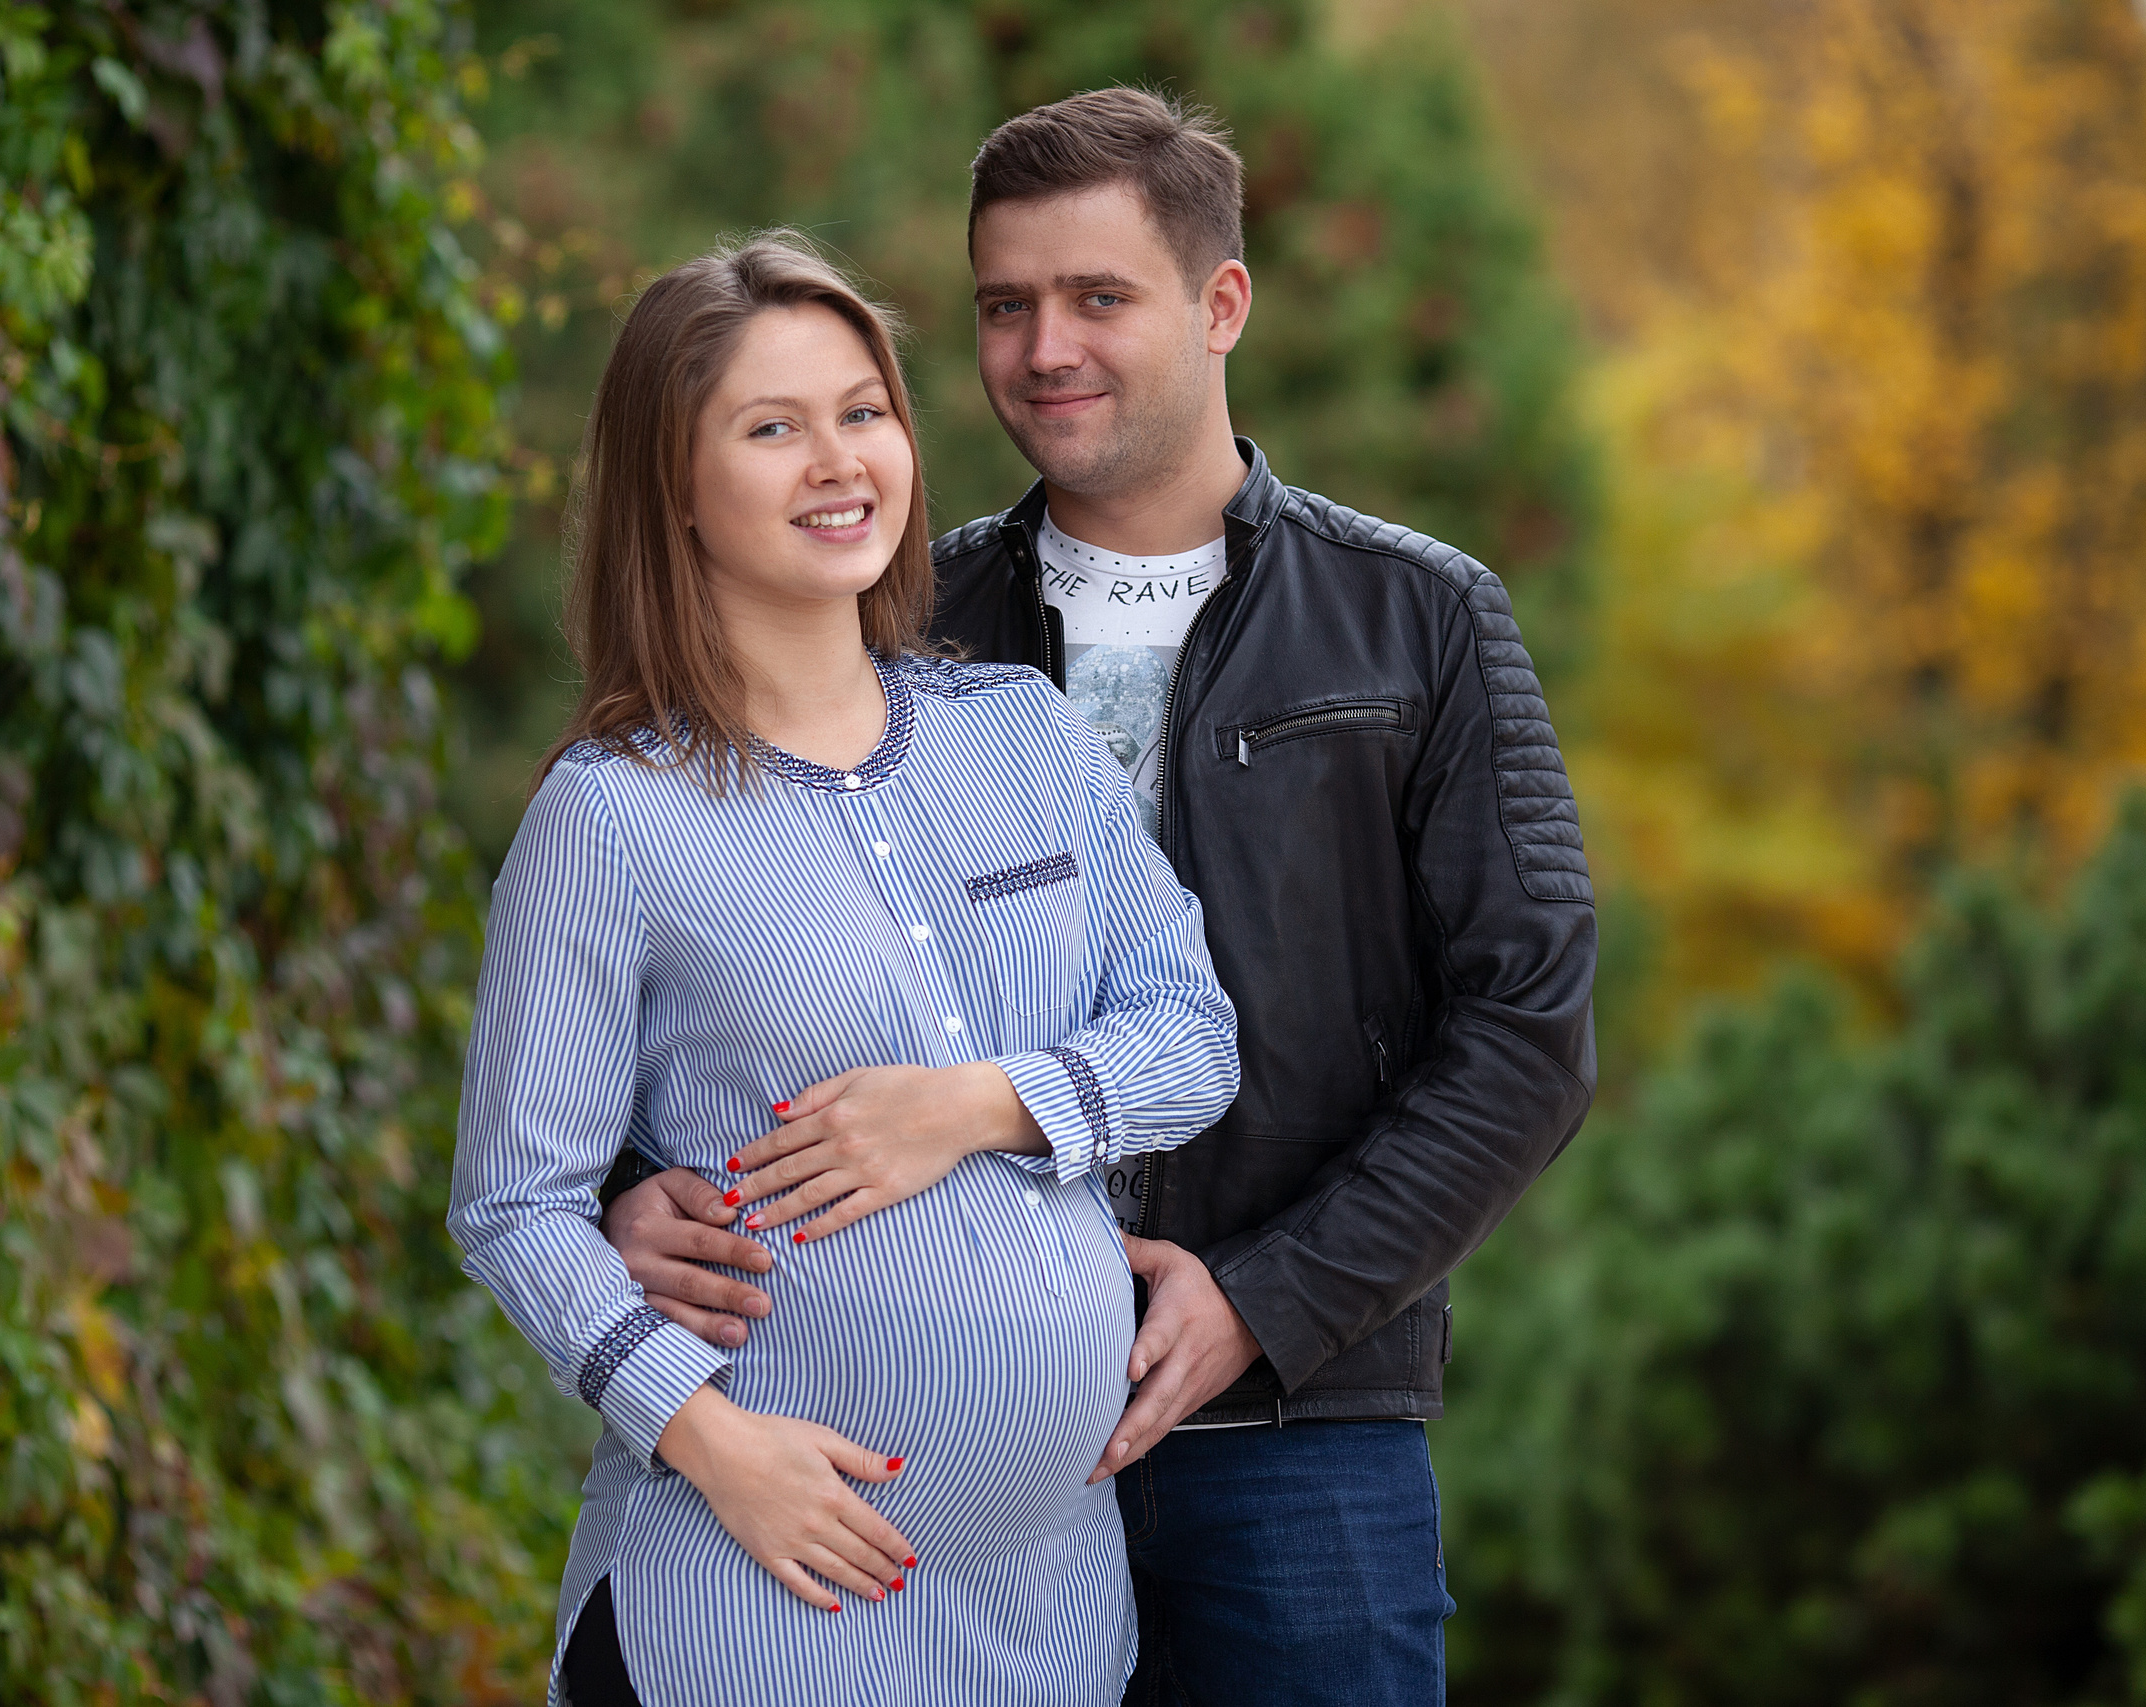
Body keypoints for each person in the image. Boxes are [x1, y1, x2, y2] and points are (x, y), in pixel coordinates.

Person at [603, 91, 1599, 1706]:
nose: (1043, 346)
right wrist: (634, 1192)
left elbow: (1530, 1035)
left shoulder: (1417, 622)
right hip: (919, 1434)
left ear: (1221, 308)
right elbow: (687, 936)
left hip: (1296, 1429)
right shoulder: (897, 623)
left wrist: (1268, 1302)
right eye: (1006, 304)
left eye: (1097, 299)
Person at [446, 234, 1240, 1707]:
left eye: (862, 410)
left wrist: (985, 1102)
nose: (838, 461)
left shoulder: (1026, 737)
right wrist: (712, 1444)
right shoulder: (612, 816)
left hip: (1049, 1616)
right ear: (673, 489)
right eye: (772, 427)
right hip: (751, 1608)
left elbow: (1191, 1031)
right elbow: (515, 1207)